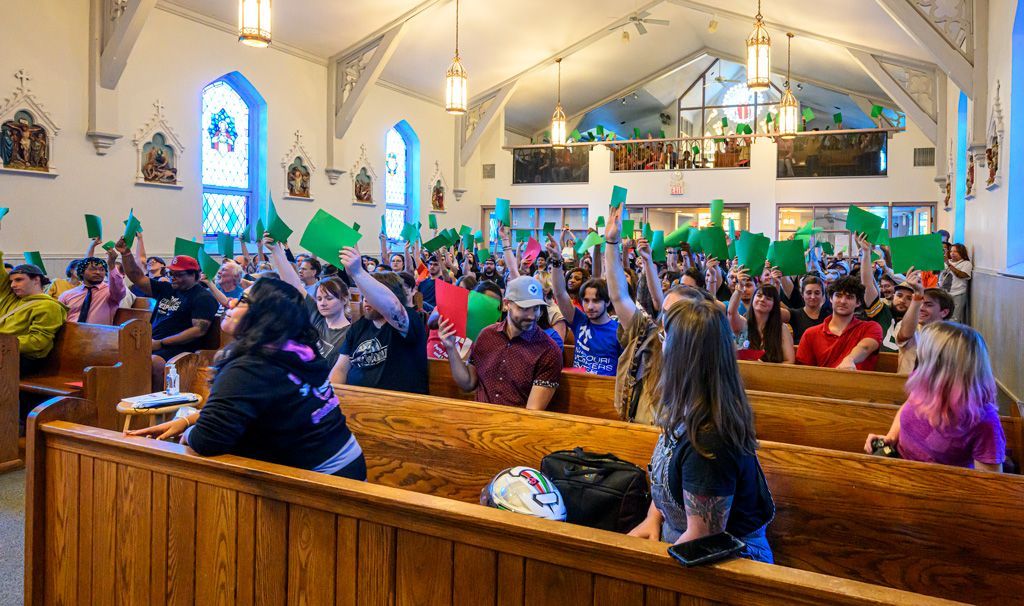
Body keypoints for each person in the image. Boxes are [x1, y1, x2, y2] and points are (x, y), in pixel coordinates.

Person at [127, 278, 366, 480]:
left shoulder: (252, 366)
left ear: (264, 316)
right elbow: (270, 404)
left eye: (242, 300)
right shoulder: (293, 348)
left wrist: (190, 433)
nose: (230, 302)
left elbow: (208, 440)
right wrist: (190, 419)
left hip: (323, 481)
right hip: (345, 464)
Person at [627, 300, 775, 563]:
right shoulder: (688, 406)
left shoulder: (710, 439)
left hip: (726, 561)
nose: (661, 344)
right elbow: (669, 481)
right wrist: (653, 517)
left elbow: (704, 539)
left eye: (665, 336)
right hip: (680, 542)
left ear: (683, 355)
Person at [865, 322, 1004, 471]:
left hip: (936, 486)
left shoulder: (983, 420)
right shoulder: (924, 380)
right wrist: (891, 437)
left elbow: (987, 484)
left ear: (940, 362)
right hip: (899, 465)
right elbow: (909, 404)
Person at [437, 276, 562, 409]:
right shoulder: (487, 335)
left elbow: (532, 413)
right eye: (524, 308)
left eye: (536, 308)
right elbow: (468, 383)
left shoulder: (548, 350)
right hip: (478, 418)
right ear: (507, 304)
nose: (532, 316)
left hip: (513, 425)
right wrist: (450, 347)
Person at [117, 240, 219, 389]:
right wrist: (126, 254)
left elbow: (198, 330)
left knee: (154, 362)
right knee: (118, 357)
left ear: (195, 275)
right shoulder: (167, 288)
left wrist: (161, 342)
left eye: (179, 274)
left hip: (181, 349)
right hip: (153, 343)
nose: (173, 277)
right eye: (171, 273)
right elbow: (137, 277)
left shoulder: (203, 297)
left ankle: (157, 407)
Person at [330, 247, 428, 394]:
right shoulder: (358, 327)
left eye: (370, 296)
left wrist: (358, 272)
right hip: (356, 405)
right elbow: (341, 368)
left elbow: (392, 306)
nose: (365, 300)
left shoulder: (409, 320)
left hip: (399, 408)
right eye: (364, 296)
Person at [268, 238, 351, 366]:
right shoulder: (317, 315)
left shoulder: (349, 333)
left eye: (329, 298)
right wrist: (276, 250)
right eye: (319, 299)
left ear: (344, 299)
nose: (322, 303)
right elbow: (295, 285)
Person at [548, 242, 621, 376]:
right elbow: (559, 293)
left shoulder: (619, 331)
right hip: (578, 387)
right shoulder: (580, 321)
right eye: (586, 301)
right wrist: (557, 260)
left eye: (596, 300)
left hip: (605, 391)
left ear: (607, 301)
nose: (590, 306)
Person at [795, 276, 882, 370]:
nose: (843, 301)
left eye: (849, 297)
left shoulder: (870, 327)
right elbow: (804, 371)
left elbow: (865, 347)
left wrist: (850, 359)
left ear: (858, 303)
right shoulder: (811, 334)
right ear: (831, 299)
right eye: (838, 295)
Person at [0, 258, 68, 373]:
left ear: (36, 280)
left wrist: (4, 344)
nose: (12, 285)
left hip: (25, 359)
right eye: (11, 281)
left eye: (18, 280)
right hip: (6, 353)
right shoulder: (12, 298)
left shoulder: (49, 306)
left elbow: (38, 342)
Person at [894, 270, 955, 374]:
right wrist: (917, 295)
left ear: (944, 312)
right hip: (906, 385)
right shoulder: (907, 325)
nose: (921, 308)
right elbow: (905, 335)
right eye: (920, 303)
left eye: (928, 304)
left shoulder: (953, 335)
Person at [728, 277, 794, 364]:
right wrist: (739, 287)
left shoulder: (782, 329)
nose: (762, 299)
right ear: (753, 300)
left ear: (774, 305)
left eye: (768, 298)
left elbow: (790, 361)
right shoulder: (743, 324)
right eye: (759, 295)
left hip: (773, 376)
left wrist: (764, 368)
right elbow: (731, 313)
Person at [58, 251, 125, 325]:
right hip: (70, 333)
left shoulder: (110, 292)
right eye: (92, 269)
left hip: (98, 334)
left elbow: (118, 287)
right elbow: (58, 318)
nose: (98, 272)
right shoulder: (67, 295)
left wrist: (111, 264)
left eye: (101, 269)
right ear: (81, 272)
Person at [787, 276, 829, 344]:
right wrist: (775, 284)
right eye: (809, 293)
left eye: (817, 293)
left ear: (823, 295)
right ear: (802, 294)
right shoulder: (794, 314)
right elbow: (774, 312)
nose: (812, 297)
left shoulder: (830, 316)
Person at [942, 243, 972, 323]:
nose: (952, 253)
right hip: (945, 294)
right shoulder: (946, 262)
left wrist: (948, 264)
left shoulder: (966, 263)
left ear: (962, 253)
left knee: (954, 319)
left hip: (958, 294)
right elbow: (936, 273)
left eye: (956, 251)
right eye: (951, 251)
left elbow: (961, 275)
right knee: (944, 317)